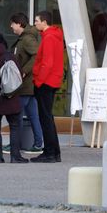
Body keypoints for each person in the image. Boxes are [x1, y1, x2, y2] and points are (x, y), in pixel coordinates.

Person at [0, 30, 27, 164]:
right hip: (9, 97)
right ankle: (15, 156)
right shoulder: (9, 57)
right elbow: (19, 75)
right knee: (15, 126)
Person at [31, 10, 64, 163]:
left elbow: (47, 63)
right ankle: (54, 152)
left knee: (45, 118)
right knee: (48, 117)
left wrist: (38, 80)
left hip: (45, 82)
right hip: (52, 81)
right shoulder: (54, 36)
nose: (35, 23)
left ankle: (50, 152)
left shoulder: (49, 37)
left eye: (37, 20)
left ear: (44, 22)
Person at [9, 12, 43, 156]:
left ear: (19, 24)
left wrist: (23, 71)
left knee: (17, 115)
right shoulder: (25, 38)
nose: (11, 26)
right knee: (33, 115)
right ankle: (38, 143)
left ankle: (14, 144)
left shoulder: (27, 39)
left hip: (24, 85)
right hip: (28, 85)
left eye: (12, 23)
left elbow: (37, 55)